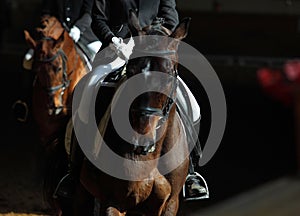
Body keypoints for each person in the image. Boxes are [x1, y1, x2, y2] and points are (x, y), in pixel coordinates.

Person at [58, 0, 208, 201]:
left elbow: (171, 17)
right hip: (118, 50)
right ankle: (73, 171)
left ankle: (190, 173)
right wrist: (113, 39)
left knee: (193, 105)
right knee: (88, 88)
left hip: (154, 51)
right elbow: (98, 19)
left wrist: (158, 37)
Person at [13, 0, 102, 122]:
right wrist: (51, 26)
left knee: (100, 58)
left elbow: (89, 13)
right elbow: (46, 12)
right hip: (56, 35)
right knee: (28, 60)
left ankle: (99, 105)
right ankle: (25, 101)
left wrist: (77, 28)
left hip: (83, 34)